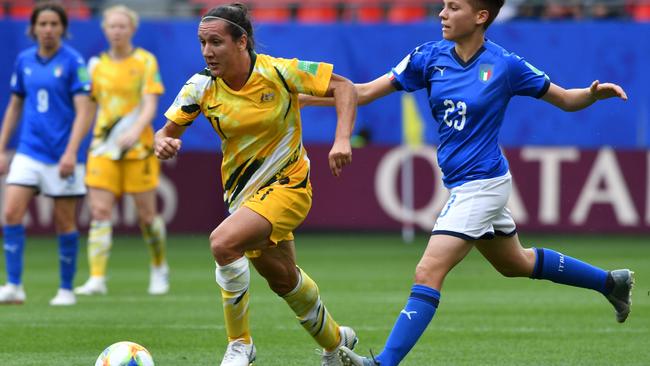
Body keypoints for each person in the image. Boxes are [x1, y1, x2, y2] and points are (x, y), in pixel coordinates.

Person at [301, 1, 633, 365]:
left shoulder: (505, 64)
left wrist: (591, 94)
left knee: (428, 271)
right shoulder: (427, 57)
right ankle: (610, 283)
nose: (442, 13)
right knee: (516, 263)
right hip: (461, 185)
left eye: (453, 7)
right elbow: (361, 92)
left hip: (484, 185)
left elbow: (566, 99)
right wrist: (301, 98)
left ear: (480, 17)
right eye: (443, 6)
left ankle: (382, 363)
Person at [154, 3, 359, 365]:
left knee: (222, 242)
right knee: (284, 281)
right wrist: (163, 142)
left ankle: (240, 344)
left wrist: (342, 139)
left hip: (289, 186)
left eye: (215, 42)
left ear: (241, 41)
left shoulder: (279, 72)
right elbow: (165, 132)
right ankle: (336, 343)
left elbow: (343, 88)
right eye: (202, 43)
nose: (207, 52)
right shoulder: (200, 87)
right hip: (243, 198)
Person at [0, 2, 92, 306]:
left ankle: (66, 289)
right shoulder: (24, 60)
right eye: (43, 24)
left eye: (54, 24)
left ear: (63, 28)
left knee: (64, 222)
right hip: (29, 149)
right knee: (11, 213)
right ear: (34, 28)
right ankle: (14, 286)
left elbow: (83, 112)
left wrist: (71, 152)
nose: (48, 29)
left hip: (62, 155)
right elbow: (14, 106)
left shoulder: (73, 62)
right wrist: (2, 148)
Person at [73, 4, 169, 297]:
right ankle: (97, 278)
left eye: (122, 26)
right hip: (103, 148)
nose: (117, 31)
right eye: (112, 26)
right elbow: (87, 110)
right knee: (100, 212)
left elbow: (150, 103)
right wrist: (74, 146)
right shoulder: (93, 66)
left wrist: (135, 129)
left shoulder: (145, 61)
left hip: (138, 148)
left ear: (132, 30)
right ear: (104, 30)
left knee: (147, 216)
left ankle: (158, 267)